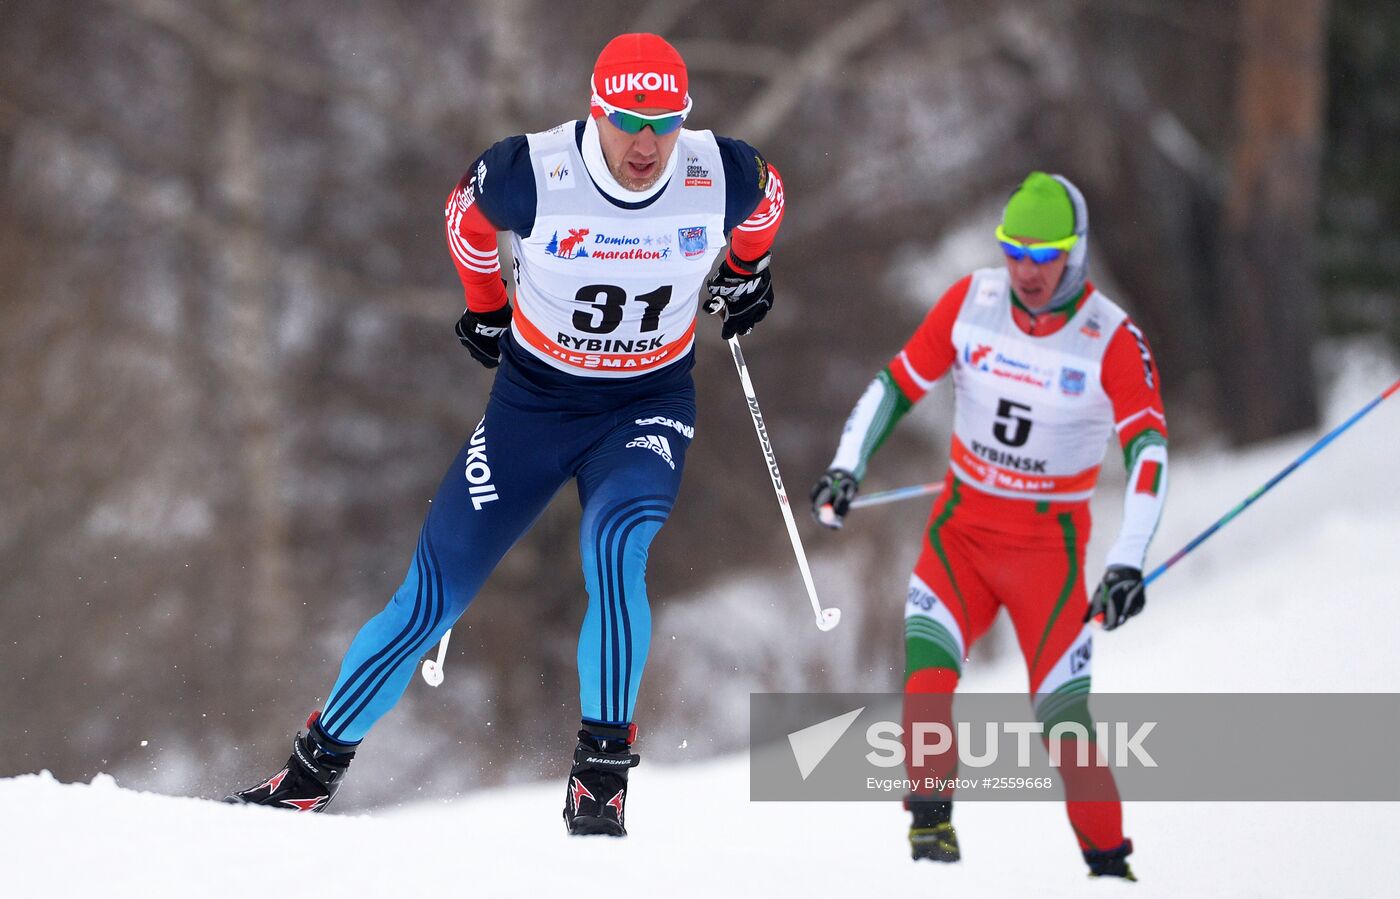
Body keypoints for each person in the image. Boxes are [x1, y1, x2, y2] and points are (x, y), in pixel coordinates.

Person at [226, 33, 785, 837]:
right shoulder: (536, 171)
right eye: (630, 120)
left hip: (646, 404)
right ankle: (308, 775)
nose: (647, 143)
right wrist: (485, 304)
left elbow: (769, 199)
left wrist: (748, 269)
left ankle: (600, 779)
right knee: (432, 597)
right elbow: (463, 217)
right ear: (598, 111)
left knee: (617, 545)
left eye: (665, 121)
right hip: (534, 405)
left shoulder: (716, 169)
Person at [810, 172, 1165, 880]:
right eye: (1016, 252)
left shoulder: (1112, 337)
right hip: (961, 537)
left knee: (1065, 721)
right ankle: (930, 842)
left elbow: (1148, 452)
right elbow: (896, 384)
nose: (1030, 271)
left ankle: (1109, 866)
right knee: (926, 681)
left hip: (1049, 555)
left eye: (1048, 255)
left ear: (1077, 252)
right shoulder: (972, 302)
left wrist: (1128, 560)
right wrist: (848, 465)